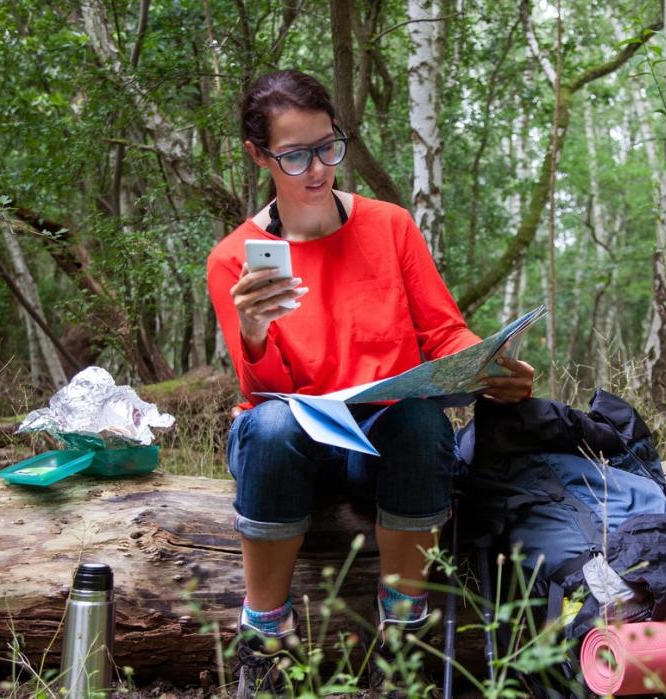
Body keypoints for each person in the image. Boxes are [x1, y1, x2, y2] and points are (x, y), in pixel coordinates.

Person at [206, 69, 535, 697]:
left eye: (328, 146)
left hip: (381, 439)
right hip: (288, 446)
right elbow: (261, 390)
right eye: (294, 154)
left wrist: (485, 365)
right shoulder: (235, 258)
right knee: (271, 423)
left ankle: (401, 645)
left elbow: (443, 334)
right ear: (259, 155)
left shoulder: (389, 226)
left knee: (418, 419)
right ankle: (264, 643)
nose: (317, 169)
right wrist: (252, 330)